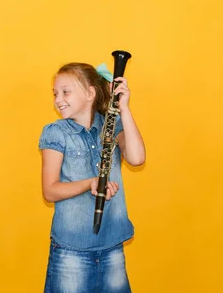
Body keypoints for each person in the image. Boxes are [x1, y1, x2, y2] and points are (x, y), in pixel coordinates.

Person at [39, 62, 146, 293]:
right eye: (55, 93)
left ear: (90, 93)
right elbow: (50, 190)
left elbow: (137, 158)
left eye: (66, 92)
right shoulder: (56, 132)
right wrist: (90, 183)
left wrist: (123, 108)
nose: (59, 99)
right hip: (71, 250)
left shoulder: (112, 124)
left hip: (111, 246)